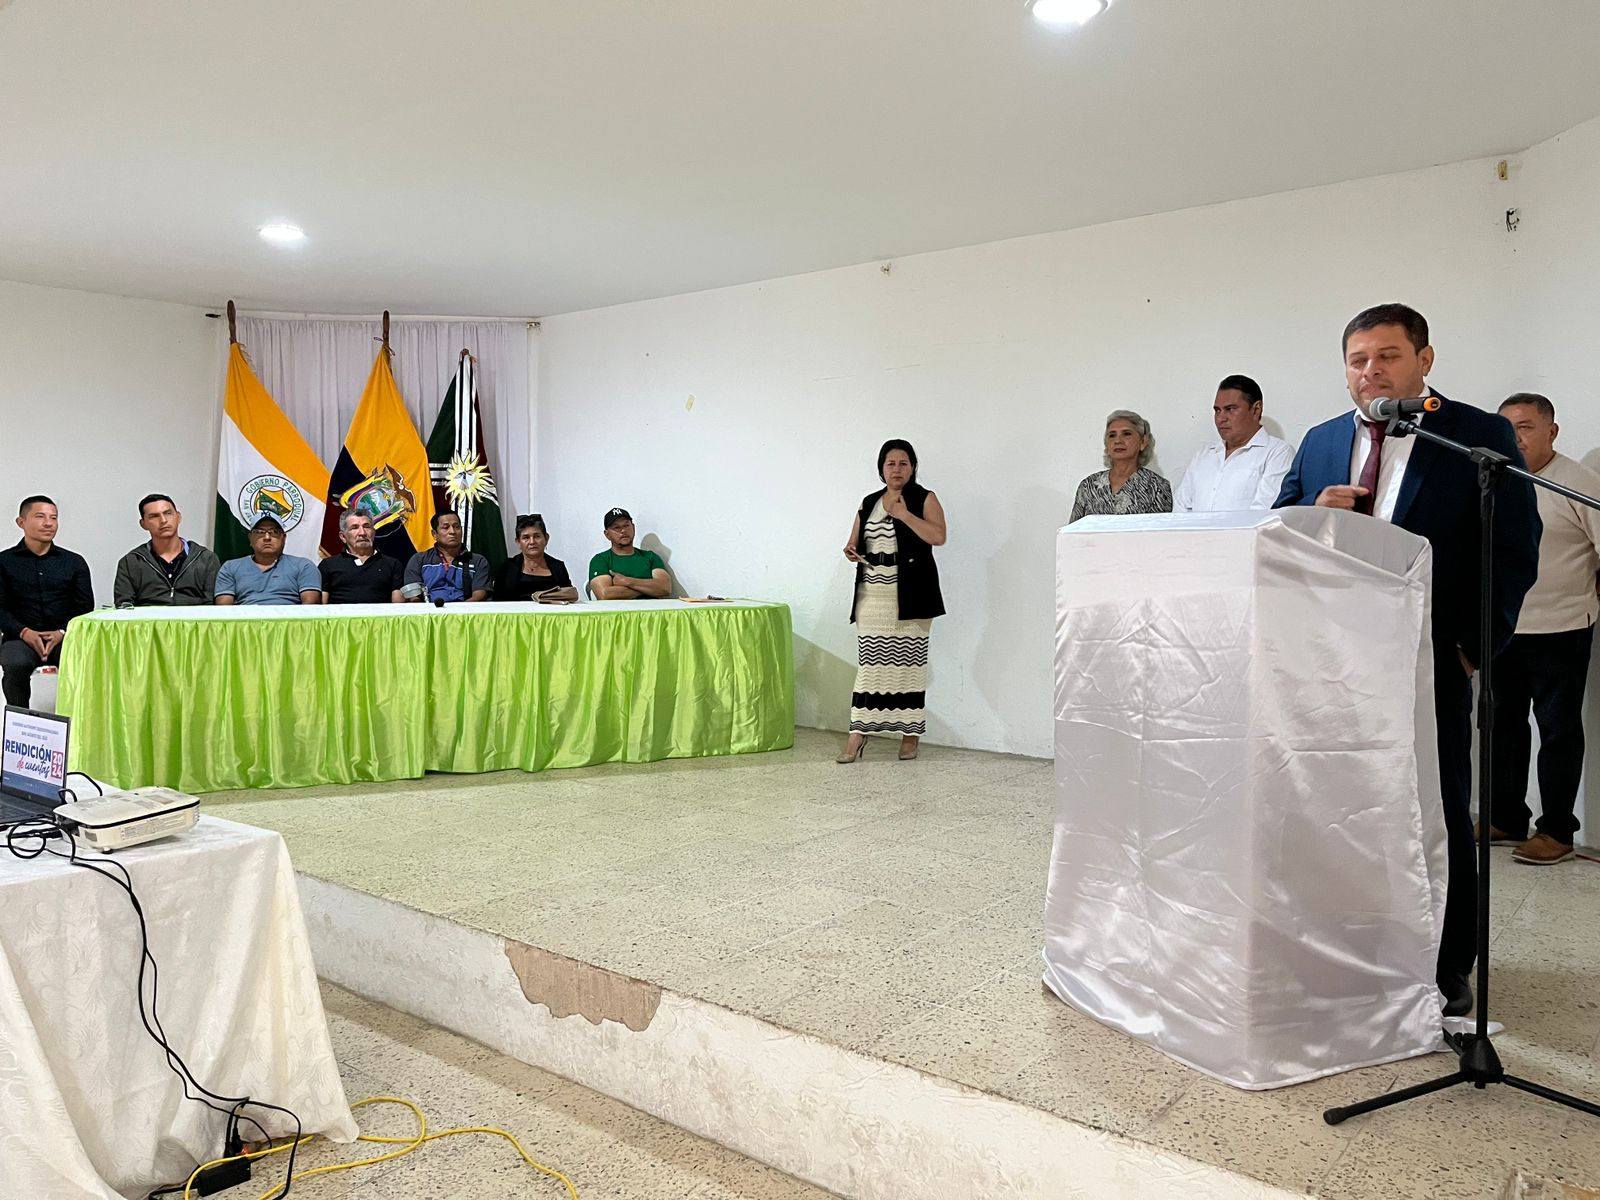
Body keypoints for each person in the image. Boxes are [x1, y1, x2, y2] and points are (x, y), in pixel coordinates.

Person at [1275, 303, 1540, 1016]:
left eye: (1388, 356)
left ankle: (1447, 963)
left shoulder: (1476, 435)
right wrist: (1313, 514)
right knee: (1339, 806)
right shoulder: (1321, 440)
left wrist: (1473, 650)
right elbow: (1277, 527)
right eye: (1358, 360)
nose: (1372, 371)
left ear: (1424, 360)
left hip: (1431, 659)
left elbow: (1515, 547)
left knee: (1438, 811)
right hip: (1331, 662)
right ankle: (1354, 944)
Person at [1487, 394, 1600, 865]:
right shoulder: (1494, 477)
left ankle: (1556, 830)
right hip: (1503, 627)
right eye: (1507, 428)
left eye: (1526, 427)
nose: (1515, 438)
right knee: (1502, 726)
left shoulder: (1578, 482)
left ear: (1552, 432)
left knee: (1558, 730)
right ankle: (1506, 817)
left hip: (1562, 627)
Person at [837, 439, 947, 763]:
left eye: (903, 463)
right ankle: (858, 733)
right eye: (890, 463)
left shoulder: (924, 498)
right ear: (881, 468)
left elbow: (938, 536)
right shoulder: (869, 501)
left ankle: (910, 734)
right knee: (870, 666)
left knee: (910, 666)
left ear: (912, 467)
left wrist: (903, 514)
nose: (896, 469)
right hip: (873, 596)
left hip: (912, 595)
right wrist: (851, 551)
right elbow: (853, 541)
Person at [0, 496, 94, 707]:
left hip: (65, 637)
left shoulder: (74, 562)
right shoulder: (4, 562)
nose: (48, 523)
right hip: (19, 637)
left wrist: (62, 632)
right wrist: (25, 632)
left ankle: (77, 719)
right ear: (21, 522)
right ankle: (19, 720)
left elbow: (84, 606)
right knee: (15, 664)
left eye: (54, 517)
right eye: (40, 516)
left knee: (85, 662)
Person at [1172, 375, 1295, 512]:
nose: (1221, 418)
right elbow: (1180, 510)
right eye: (1217, 410)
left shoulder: (1277, 453)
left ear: (1256, 410)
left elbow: (1263, 514)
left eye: (1230, 409)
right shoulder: (1203, 455)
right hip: (1193, 528)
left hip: (1248, 527)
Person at [112, 493, 221, 607]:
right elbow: (124, 606)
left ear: (178, 517)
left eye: (168, 513)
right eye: (154, 516)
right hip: (148, 618)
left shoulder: (206, 559)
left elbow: (212, 607)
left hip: (194, 618)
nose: (163, 520)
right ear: (143, 524)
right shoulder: (130, 562)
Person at [1069, 410, 1173, 521]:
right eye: (1112, 435)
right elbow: (1073, 529)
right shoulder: (1088, 486)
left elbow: (1162, 530)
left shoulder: (1157, 486)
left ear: (1143, 442)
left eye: (1126, 434)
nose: (1118, 441)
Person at [214, 515, 323, 605]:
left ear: (284, 538)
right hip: (246, 623)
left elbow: (310, 608)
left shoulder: (303, 566)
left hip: (289, 623)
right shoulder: (230, 567)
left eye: (274, 532)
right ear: (250, 538)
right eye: (260, 532)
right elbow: (223, 610)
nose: (267, 538)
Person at [319, 510, 405, 604]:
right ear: (343, 537)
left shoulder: (393, 565)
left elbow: (398, 607)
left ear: (374, 532)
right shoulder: (328, 565)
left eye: (366, 527)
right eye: (354, 528)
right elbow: (320, 608)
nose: (362, 533)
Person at [403, 511, 490, 602]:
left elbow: (479, 595)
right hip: (428, 609)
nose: (452, 532)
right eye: (446, 527)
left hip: (466, 609)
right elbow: (414, 597)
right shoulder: (419, 560)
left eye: (457, 527)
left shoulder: (477, 561)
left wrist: (459, 610)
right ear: (434, 534)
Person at [587, 509, 672, 599]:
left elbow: (665, 587)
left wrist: (627, 581)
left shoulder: (650, 557)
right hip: (619, 608)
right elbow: (605, 595)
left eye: (626, 525)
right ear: (607, 534)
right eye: (616, 527)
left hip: (652, 608)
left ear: (633, 528)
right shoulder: (600, 560)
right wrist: (649, 589)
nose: (623, 530)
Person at [494, 514, 578, 602]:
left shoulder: (558, 567)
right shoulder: (507, 568)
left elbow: (568, 596)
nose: (532, 542)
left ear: (546, 538)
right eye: (526, 537)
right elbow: (498, 603)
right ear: (518, 542)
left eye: (537, 536)